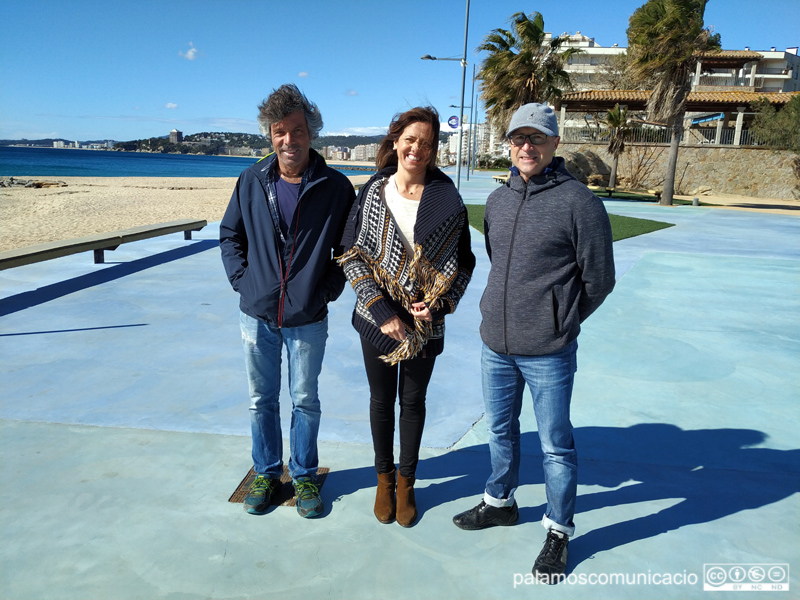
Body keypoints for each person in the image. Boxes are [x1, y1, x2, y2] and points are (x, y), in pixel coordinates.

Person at [452, 103, 615, 583]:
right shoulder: (499, 201)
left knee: (555, 446)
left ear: (554, 145)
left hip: (549, 351)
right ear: (509, 144)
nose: (527, 147)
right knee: (500, 432)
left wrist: (560, 321)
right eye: (519, 138)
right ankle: (499, 503)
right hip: (495, 346)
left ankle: (558, 530)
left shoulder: (580, 203)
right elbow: (495, 259)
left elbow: (599, 280)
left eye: (537, 139)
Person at [220, 84, 355, 518]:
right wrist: (244, 282)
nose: (289, 140)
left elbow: (349, 250)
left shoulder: (335, 187)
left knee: (305, 399)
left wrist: (326, 291)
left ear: (311, 132)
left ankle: (303, 476)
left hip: (307, 316)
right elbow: (230, 236)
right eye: (280, 131)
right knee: (261, 399)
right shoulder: (251, 180)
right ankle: (265, 471)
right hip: (256, 314)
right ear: (270, 135)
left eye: (297, 130)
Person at [338, 106, 475, 527]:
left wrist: (440, 303)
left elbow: (463, 263)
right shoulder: (373, 193)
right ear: (395, 141)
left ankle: (407, 482)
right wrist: (380, 310)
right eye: (410, 139)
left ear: (434, 151)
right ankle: (383, 481)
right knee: (381, 401)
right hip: (376, 318)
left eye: (427, 143)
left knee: (413, 403)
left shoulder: (448, 199)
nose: (417, 148)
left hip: (423, 323)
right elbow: (352, 255)